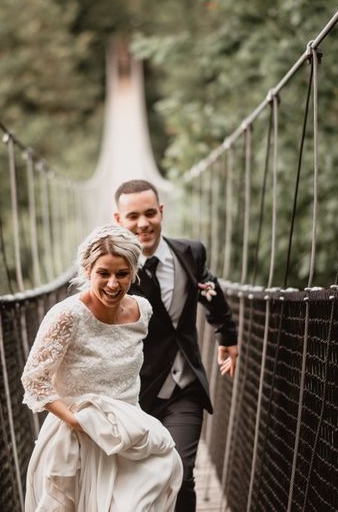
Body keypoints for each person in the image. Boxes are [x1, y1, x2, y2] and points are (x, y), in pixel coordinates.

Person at [21, 224, 183, 511]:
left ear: (133, 272)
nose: (112, 284)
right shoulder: (66, 315)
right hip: (77, 440)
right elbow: (35, 380)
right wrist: (76, 422)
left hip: (129, 436)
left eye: (121, 274)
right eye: (103, 273)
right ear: (87, 270)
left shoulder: (142, 310)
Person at [113, 179, 238, 512]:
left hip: (185, 388)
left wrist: (227, 335)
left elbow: (209, 289)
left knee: (181, 476)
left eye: (150, 213)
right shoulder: (115, 269)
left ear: (161, 212)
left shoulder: (190, 252)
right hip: (135, 393)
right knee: (139, 483)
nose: (143, 224)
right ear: (119, 220)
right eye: (133, 216)